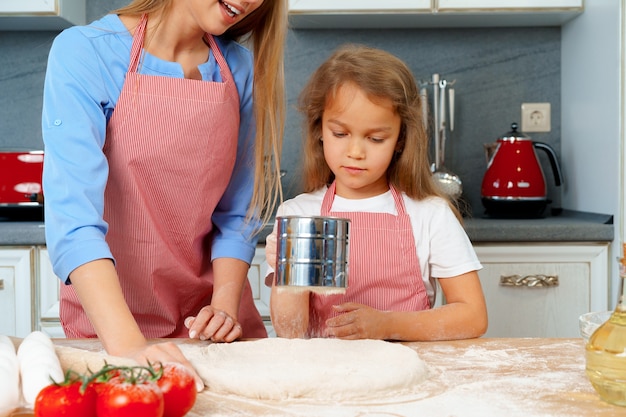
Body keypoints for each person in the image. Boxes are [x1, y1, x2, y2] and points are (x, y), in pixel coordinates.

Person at [42, 0, 287, 389]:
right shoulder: (87, 52)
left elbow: (238, 215)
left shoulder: (239, 69)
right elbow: (74, 221)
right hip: (115, 328)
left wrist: (222, 310)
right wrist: (128, 348)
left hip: (214, 335)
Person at [265, 44, 488, 341]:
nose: (355, 152)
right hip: (325, 377)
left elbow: (472, 316)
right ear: (319, 128)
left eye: (376, 138)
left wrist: (387, 325)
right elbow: (291, 333)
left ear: (400, 139)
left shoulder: (430, 214)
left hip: (409, 373)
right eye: (340, 133)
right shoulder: (300, 214)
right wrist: (288, 275)